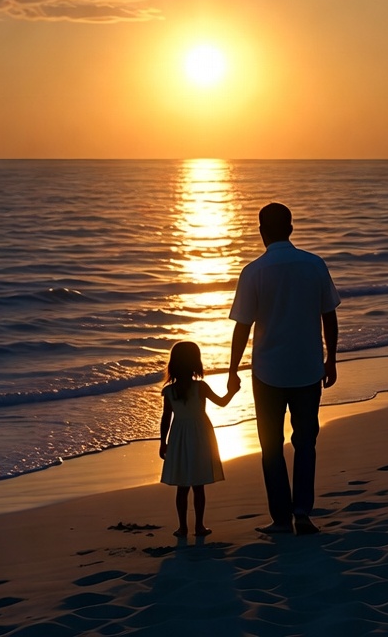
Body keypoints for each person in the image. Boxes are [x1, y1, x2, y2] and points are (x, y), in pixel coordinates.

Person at [227, 202, 340, 536]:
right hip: (307, 367)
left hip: (268, 372)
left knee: (271, 446)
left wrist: (232, 369)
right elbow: (329, 315)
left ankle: (280, 518)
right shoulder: (314, 265)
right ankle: (302, 511)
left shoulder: (254, 271)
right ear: (290, 229)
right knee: (306, 442)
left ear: (262, 231)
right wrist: (331, 358)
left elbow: (242, 326)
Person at [159, 340, 240, 538]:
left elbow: (165, 419)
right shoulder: (201, 387)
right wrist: (232, 391)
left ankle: (182, 527)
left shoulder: (169, 391)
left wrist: (163, 442)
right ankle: (199, 526)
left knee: (182, 486)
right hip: (200, 435)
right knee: (198, 485)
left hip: (178, 436)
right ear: (196, 363)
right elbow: (221, 403)